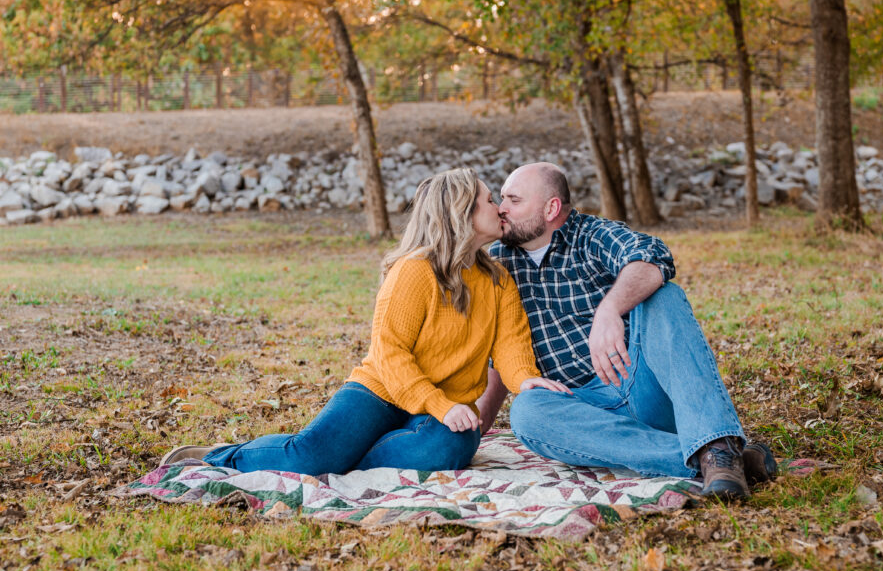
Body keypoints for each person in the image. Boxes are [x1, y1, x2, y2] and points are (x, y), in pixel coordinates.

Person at [160, 167, 569, 474]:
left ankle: (349, 464)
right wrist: (439, 404)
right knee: (310, 457)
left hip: (438, 409)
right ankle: (220, 456)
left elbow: (511, 349)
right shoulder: (415, 271)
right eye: (487, 200)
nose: (499, 207)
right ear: (459, 212)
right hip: (381, 391)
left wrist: (525, 380)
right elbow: (389, 354)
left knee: (454, 447)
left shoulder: (498, 280)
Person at [479, 162, 775, 501]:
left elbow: (652, 258)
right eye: (501, 198)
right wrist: (473, 428)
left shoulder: (590, 235)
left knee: (663, 296)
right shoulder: (499, 261)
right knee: (527, 411)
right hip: (584, 412)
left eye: (513, 200)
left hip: (640, 385)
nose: (502, 209)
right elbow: (502, 351)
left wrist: (609, 310)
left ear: (551, 208)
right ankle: (717, 459)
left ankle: (716, 446)